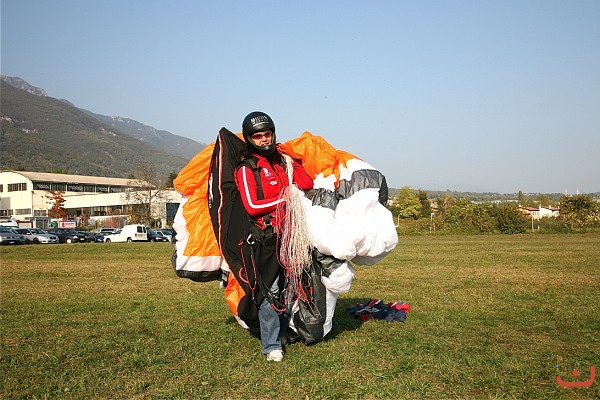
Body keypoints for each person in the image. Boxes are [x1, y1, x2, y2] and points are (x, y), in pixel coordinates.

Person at [234, 111, 313, 362]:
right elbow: (252, 206)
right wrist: (285, 199)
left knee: (291, 287)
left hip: (290, 235)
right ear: (249, 139)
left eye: (267, 134)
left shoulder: (280, 163)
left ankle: (283, 331)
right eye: (258, 136)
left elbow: (306, 184)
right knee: (271, 292)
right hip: (265, 238)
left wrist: (292, 161)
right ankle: (271, 345)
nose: (264, 139)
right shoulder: (247, 168)